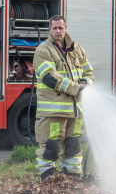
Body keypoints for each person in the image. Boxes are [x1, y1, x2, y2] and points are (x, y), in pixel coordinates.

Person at [33, 15, 94, 179]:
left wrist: (86, 83)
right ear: (50, 29)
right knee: (50, 148)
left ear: (65, 28)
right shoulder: (43, 50)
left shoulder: (77, 49)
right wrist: (76, 88)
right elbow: (49, 77)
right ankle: (47, 184)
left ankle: (73, 182)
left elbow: (89, 72)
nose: (58, 31)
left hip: (76, 111)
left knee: (73, 147)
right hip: (54, 112)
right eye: (54, 28)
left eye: (61, 28)